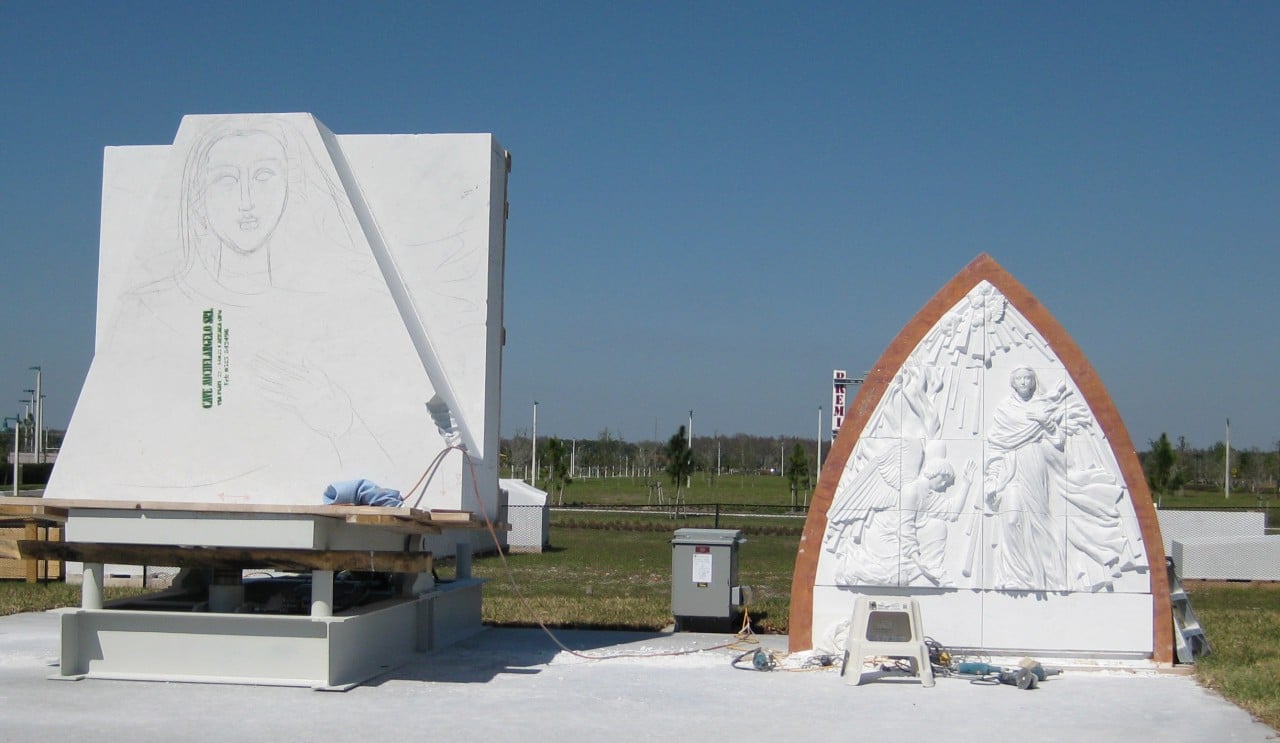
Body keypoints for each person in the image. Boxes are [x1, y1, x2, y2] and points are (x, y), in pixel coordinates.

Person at [983, 366, 1074, 590]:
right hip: (1010, 468)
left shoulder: (1041, 406)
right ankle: (1014, 574)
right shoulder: (1004, 410)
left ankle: (1044, 574)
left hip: (1033, 464)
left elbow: (1059, 441)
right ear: (1013, 383)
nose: (1024, 382)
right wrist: (992, 479)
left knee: (1038, 519)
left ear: (1033, 382)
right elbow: (996, 444)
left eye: (1028, 379)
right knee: (1011, 519)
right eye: (1020, 379)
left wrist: (1047, 422)